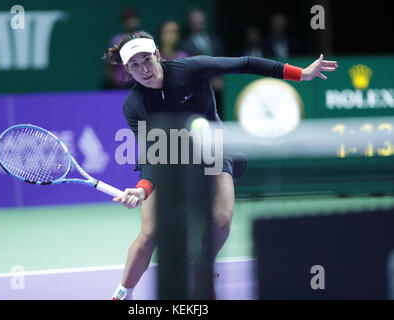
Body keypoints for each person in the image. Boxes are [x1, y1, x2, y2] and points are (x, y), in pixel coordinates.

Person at [103, 30, 337, 300]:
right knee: (150, 234)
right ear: (126, 70)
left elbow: (245, 63)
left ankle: (202, 266)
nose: (143, 69)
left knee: (222, 220)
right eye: (134, 65)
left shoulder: (190, 69)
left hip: (212, 150)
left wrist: (301, 74)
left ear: (157, 55)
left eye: (146, 59)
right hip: (170, 159)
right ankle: (123, 293)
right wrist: (142, 189)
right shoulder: (134, 105)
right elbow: (154, 154)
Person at [103, 7, 141, 89]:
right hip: (119, 86)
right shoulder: (116, 40)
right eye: (127, 19)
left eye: (133, 18)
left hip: (139, 85)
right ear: (123, 22)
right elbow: (109, 65)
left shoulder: (143, 39)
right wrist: (113, 83)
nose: (131, 21)